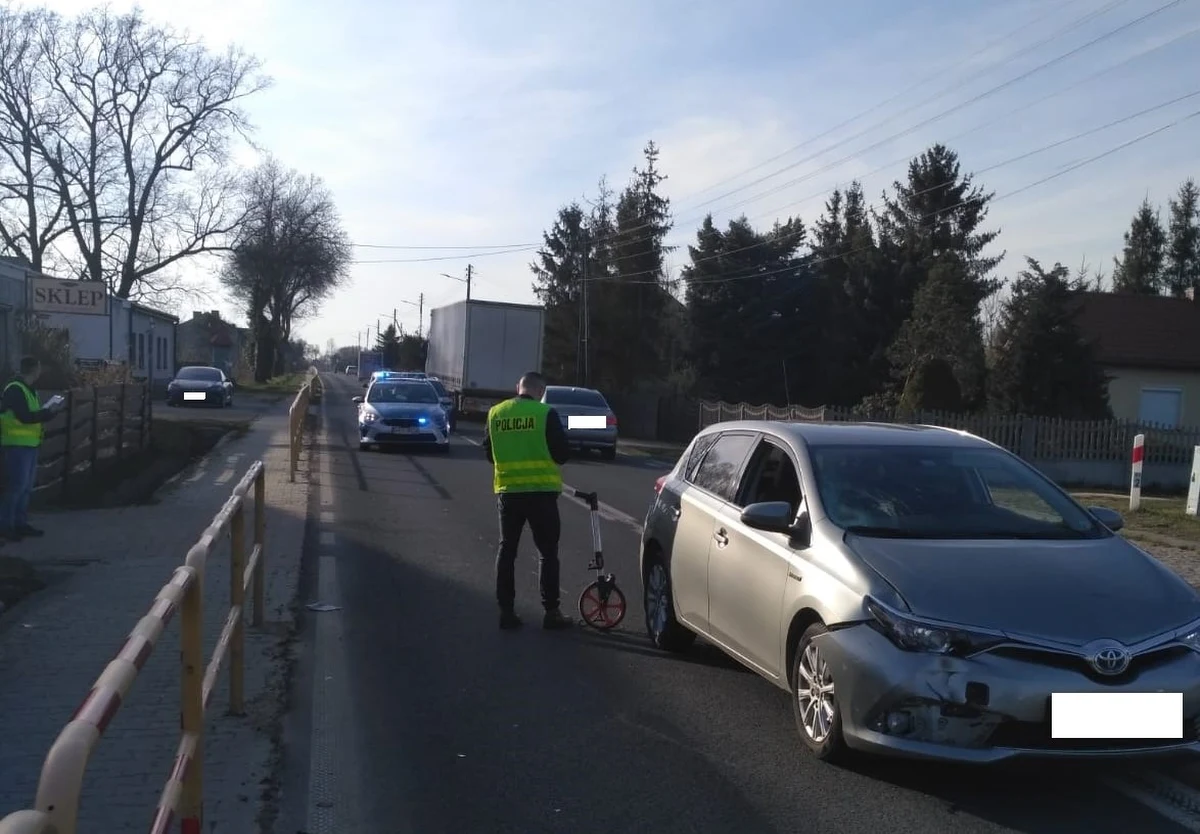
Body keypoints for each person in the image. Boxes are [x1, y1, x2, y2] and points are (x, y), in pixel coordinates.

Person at [483, 371, 572, 631]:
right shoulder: (545, 414)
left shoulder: (495, 414)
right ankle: (551, 612)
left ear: (517, 387)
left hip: (508, 492)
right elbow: (562, 454)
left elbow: (489, 453)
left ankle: (506, 611)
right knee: (547, 553)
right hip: (541, 494)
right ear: (541, 391)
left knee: (507, 550)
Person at [0, 356, 63, 541]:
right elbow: (25, 417)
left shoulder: (28, 389)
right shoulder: (15, 389)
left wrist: (46, 414)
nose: (40, 372)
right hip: (16, 444)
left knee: (25, 487)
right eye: (39, 369)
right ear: (34, 369)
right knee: (16, 487)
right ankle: (6, 525)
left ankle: (19, 523)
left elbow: (30, 415)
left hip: (30, 443)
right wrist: (46, 413)